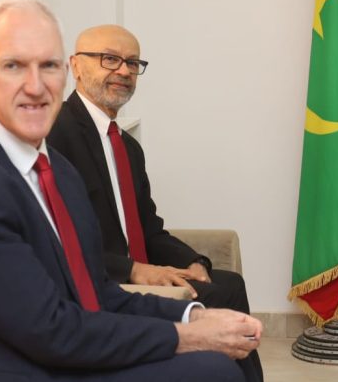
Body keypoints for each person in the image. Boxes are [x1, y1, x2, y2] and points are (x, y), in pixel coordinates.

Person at [0, 0, 261, 381]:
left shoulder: (56, 170)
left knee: (223, 347)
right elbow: (49, 331)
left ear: (64, 73)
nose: (35, 86)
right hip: (11, 367)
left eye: (48, 66)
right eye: (14, 66)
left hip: (63, 345)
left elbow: (97, 292)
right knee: (212, 368)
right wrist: (187, 336)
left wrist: (194, 315)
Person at [46, 24, 262, 379]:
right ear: (76, 66)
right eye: (110, 59)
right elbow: (55, 237)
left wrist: (193, 261)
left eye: (132, 63)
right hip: (104, 282)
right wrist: (133, 269)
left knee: (228, 284)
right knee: (221, 302)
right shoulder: (55, 134)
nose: (124, 71)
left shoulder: (128, 147)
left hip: (137, 272)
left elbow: (149, 229)